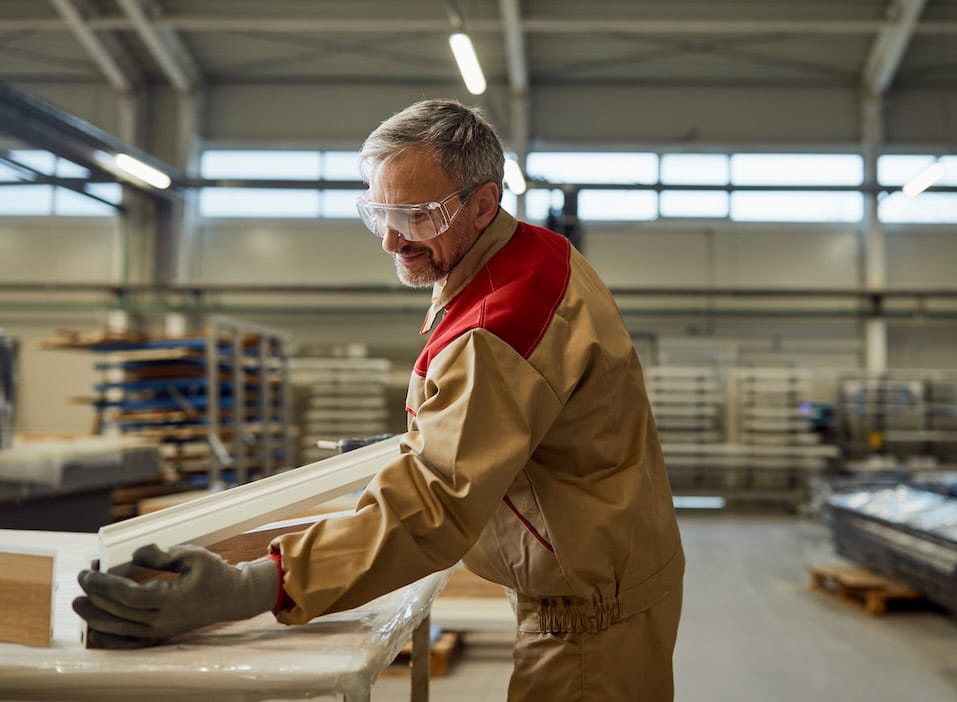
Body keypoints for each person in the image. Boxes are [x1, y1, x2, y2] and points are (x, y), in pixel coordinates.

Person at [73, 99, 685, 701]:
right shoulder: (535, 252)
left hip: (588, 611)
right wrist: (426, 439)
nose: (393, 240)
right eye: (379, 212)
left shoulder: (498, 323)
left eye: (416, 215)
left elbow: (437, 507)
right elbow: (543, 418)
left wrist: (255, 586)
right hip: (607, 563)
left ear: (483, 205)